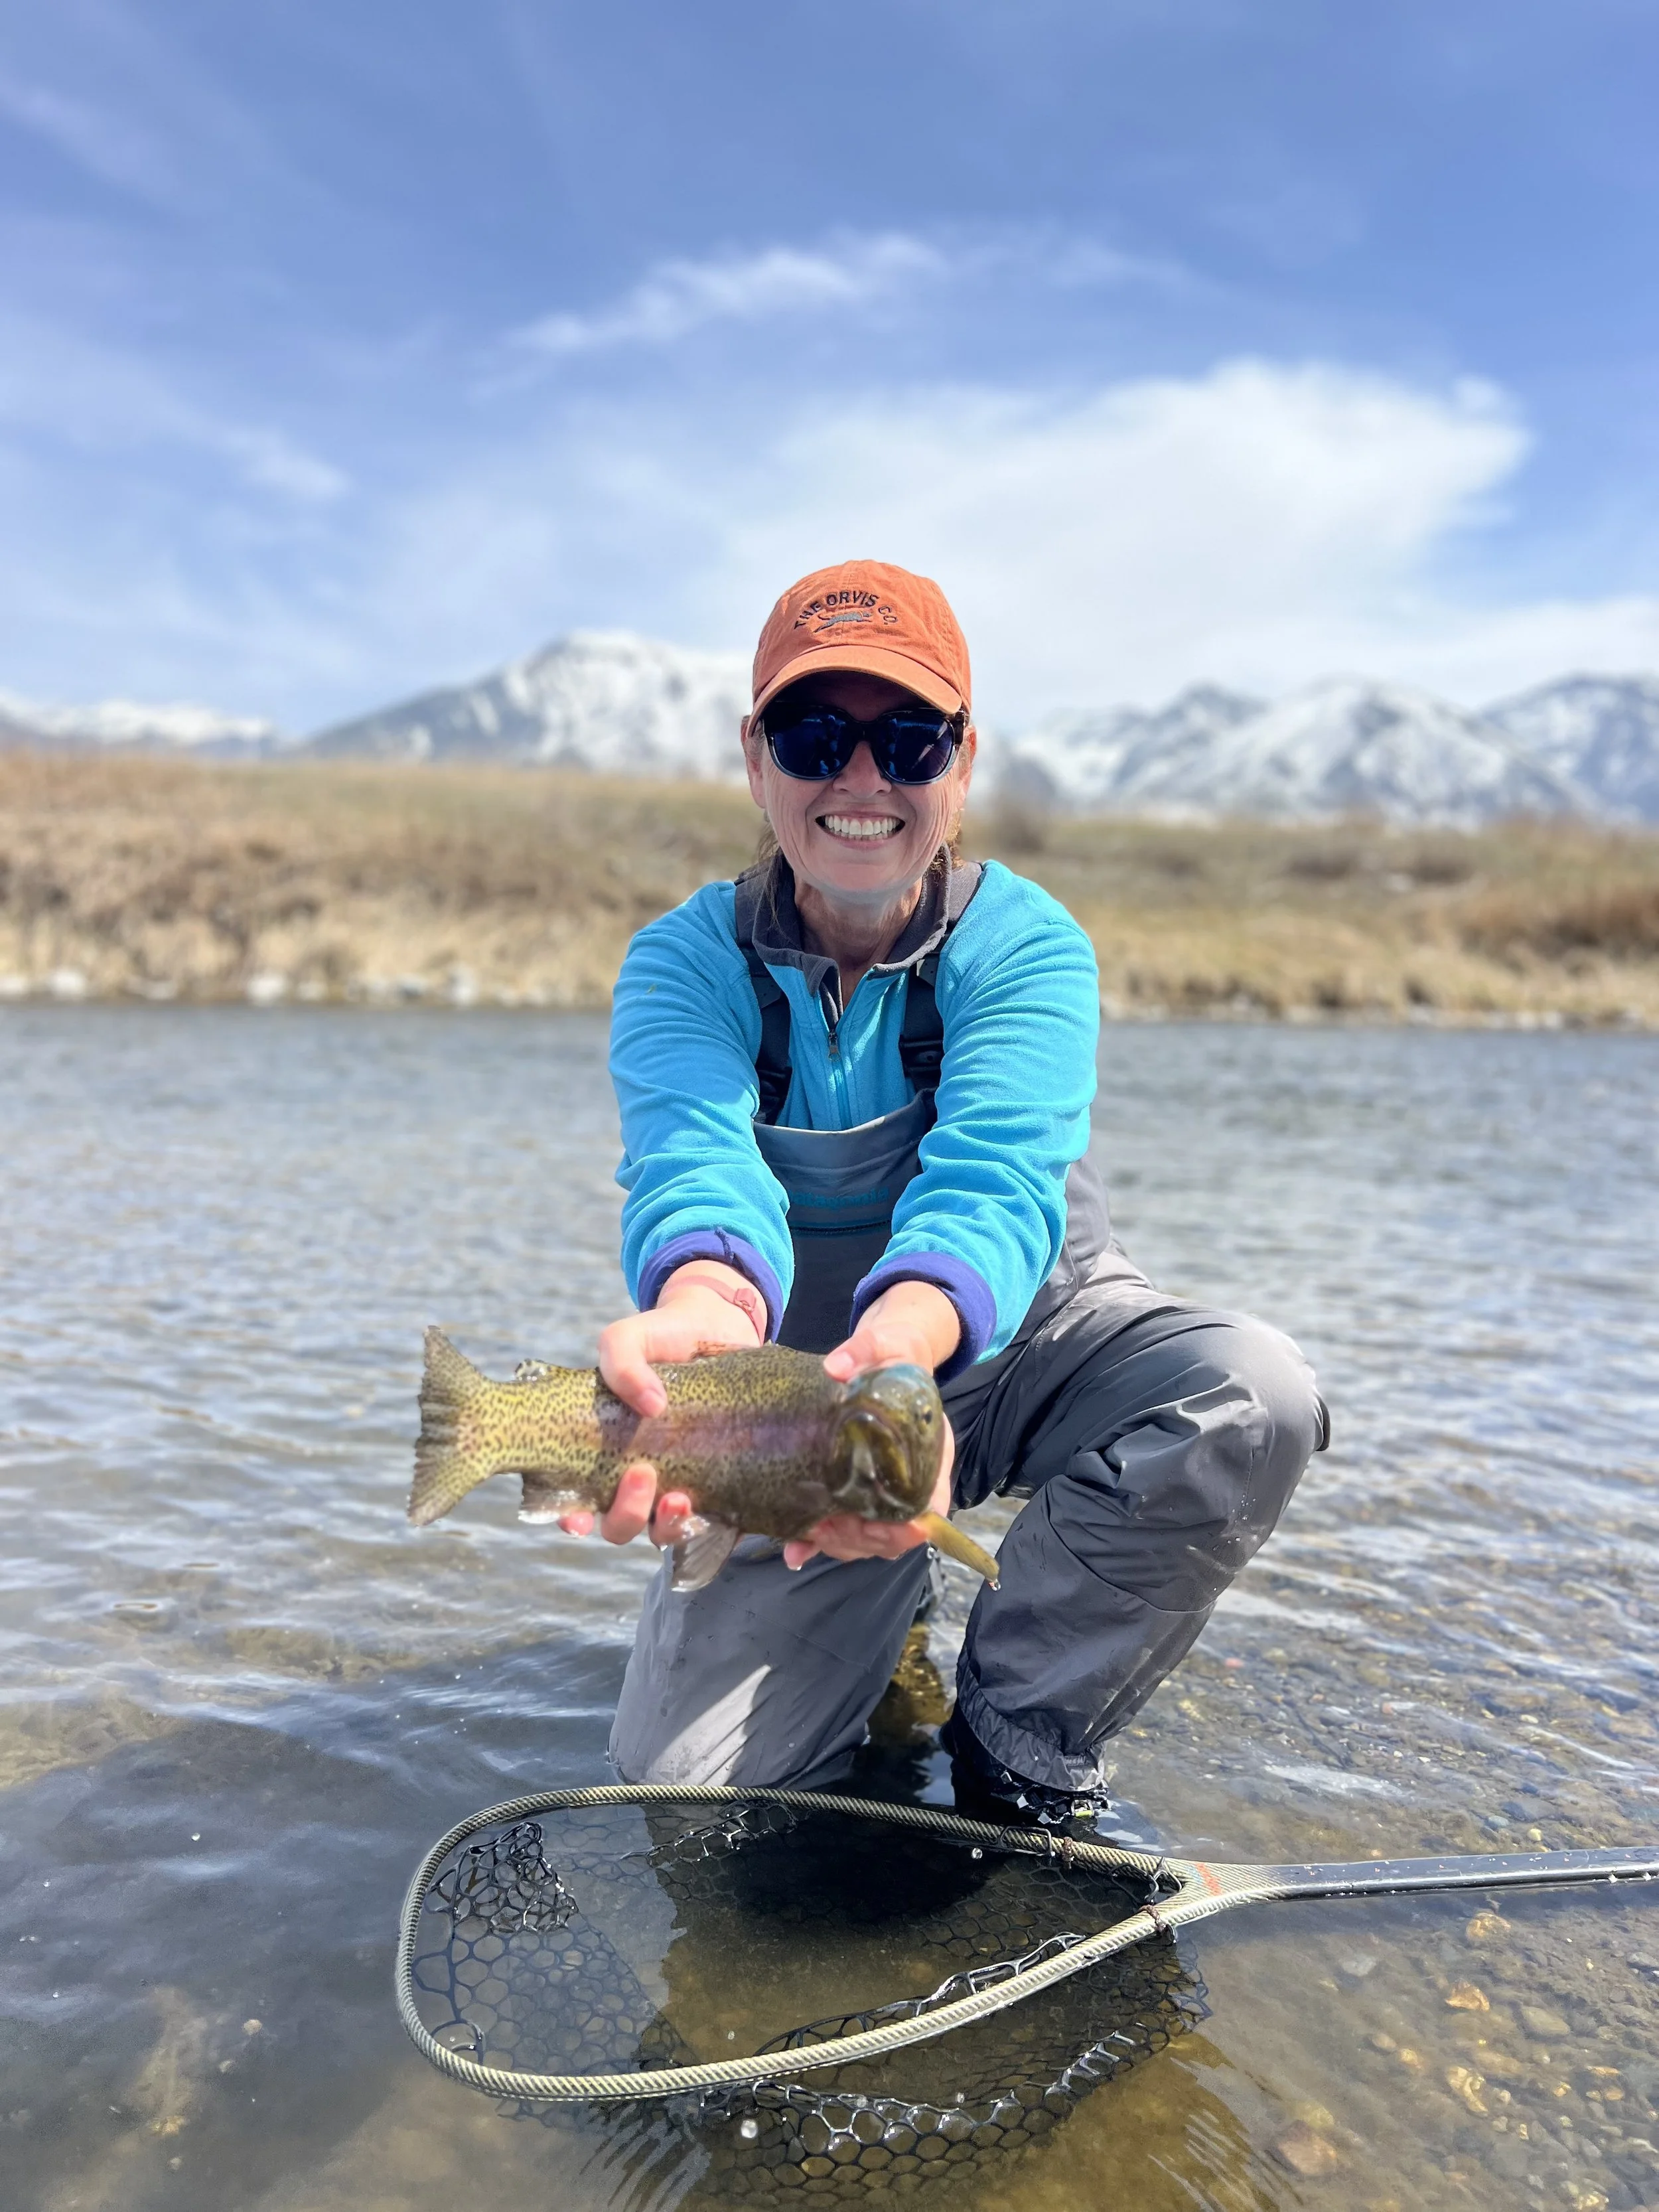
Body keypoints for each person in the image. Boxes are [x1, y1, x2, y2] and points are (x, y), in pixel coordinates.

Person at [559, 559, 1328, 1827]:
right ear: (757, 760)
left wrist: (905, 1360)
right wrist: (706, 1317)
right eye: (817, 736)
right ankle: (879, 1597)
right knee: (690, 1797)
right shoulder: (684, 963)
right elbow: (697, 1168)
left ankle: (1020, 1729)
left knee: (1253, 1393)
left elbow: (994, 1186)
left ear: (961, 764)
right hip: (807, 1404)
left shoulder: (1027, 947)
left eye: (909, 740)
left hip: (1025, 1349)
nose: (863, 781)